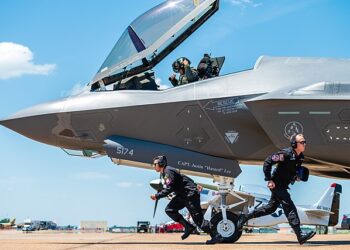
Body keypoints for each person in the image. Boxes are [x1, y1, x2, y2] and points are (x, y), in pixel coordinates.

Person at [236, 134, 316, 245]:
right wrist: (269, 179)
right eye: (302, 142)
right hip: (276, 184)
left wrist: (295, 177)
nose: (304, 144)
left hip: (283, 185)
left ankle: (245, 217)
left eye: (305, 142)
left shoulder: (300, 157)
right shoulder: (286, 154)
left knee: (270, 208)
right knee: (289, 206)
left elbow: (291, 170)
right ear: (294, 144)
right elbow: (268, 161)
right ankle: (300, 235)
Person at [150, 155, 223, 244]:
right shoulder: (165, 172)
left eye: (154, 164)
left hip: (190, 195)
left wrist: (157, 196)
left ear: (160, 164)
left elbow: (170, 188)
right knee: (170, 210)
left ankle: (216, 235)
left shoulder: (168, 171)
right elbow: (184, 177)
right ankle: (188, 227)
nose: (153, 166)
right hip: (182, 195)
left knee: (199, 220)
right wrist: (195, 184)